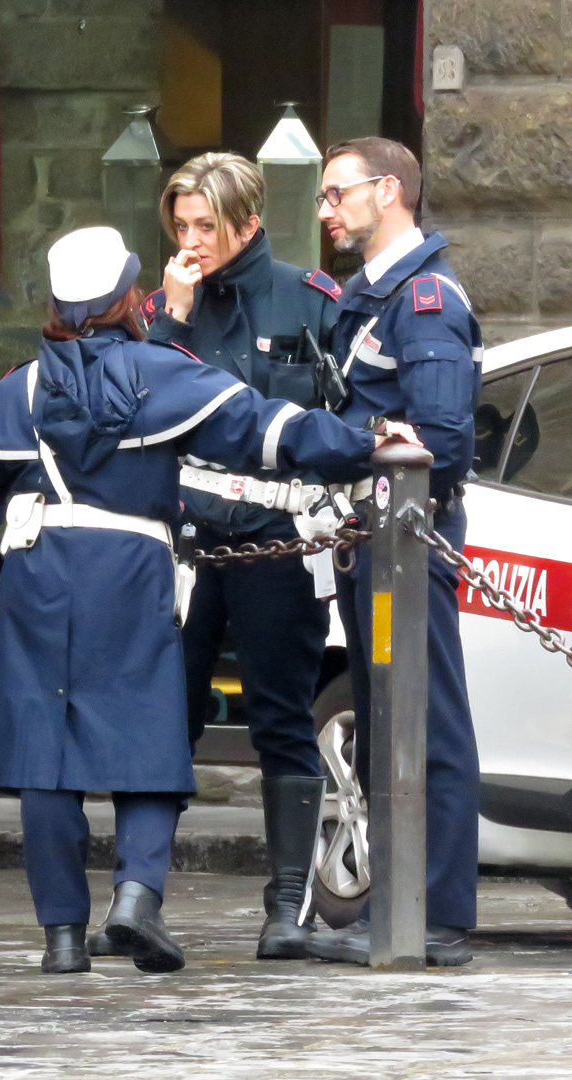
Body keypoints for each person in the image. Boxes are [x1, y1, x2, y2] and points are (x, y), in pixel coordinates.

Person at [0, 225, 417, 976]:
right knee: (148, 738)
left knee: (44, 759)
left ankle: (63, 940)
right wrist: (369, 442)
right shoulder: (164, 372)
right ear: (130, 295)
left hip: (36, 570)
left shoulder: (20, 387)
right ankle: (134, 897)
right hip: (129, 568)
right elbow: (273, 431)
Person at [99, 152, 346, 962]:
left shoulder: (309, 298)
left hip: (279, 539)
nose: (192, 240)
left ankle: (287, 909)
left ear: (249, 222)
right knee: (160, 717)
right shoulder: (161, 308)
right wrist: (169, 318)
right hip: (185, 547)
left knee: (281, 717)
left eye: (207, 225)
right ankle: (138, 897)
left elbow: (340, 416)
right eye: (181, 225)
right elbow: (128, 405)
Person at [308, 137, 482, 967]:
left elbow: (439, 442)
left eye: (338, 193)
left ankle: (439, 913)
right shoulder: (366, 298)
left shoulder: (425, 301)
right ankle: (401, 904)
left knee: (426, 722)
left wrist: (360, 438)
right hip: (368, 539)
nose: (326, 210)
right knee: (384, 723)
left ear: (390, 191)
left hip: (409, 543)